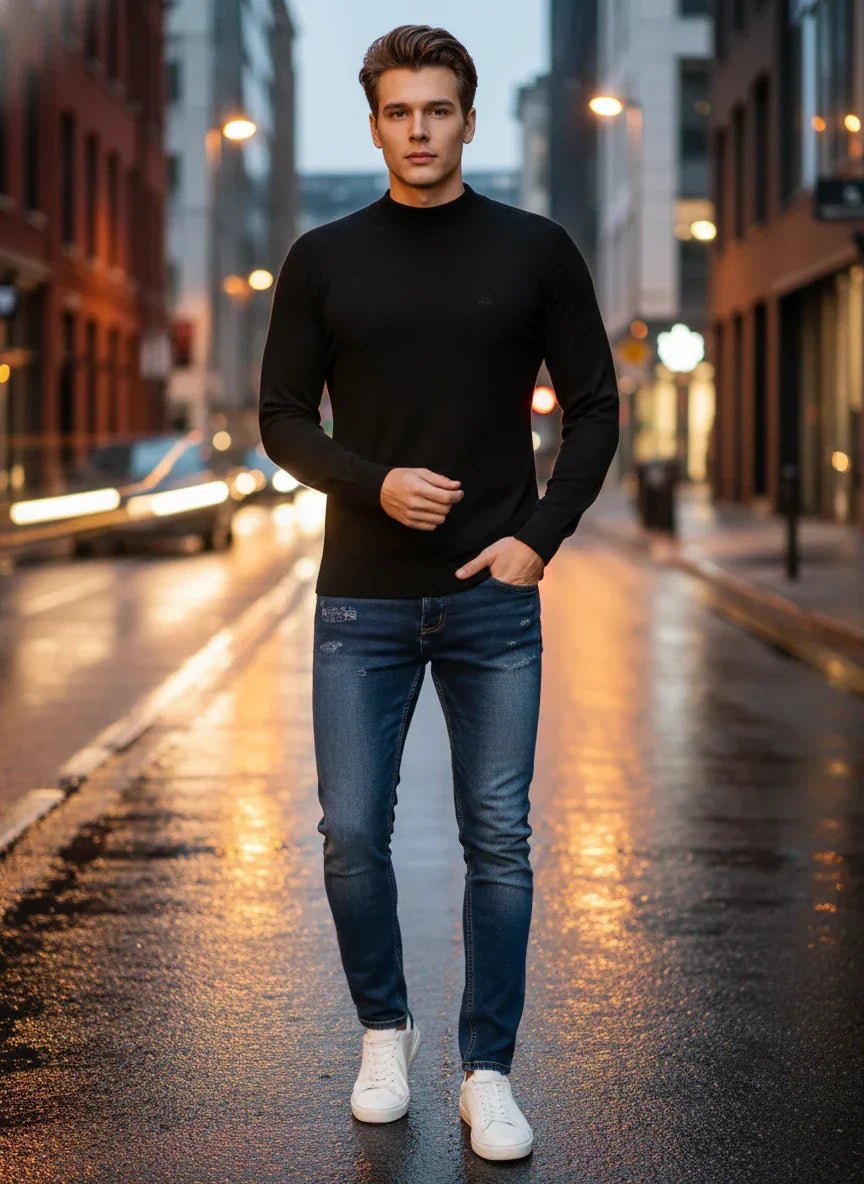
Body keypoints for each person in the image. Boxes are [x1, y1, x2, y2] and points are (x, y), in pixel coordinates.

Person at [259, 24, 619, 1163]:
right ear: (373, 123)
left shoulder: (537, 248)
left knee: (498, 840)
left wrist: (540, 538)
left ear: (466, 119)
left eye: (440, 110)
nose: (419, 130)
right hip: (361, 597)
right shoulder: (323, 256)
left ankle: (488, 1068)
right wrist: (374, 482)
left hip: (492, 600)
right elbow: (275, 419)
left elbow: (598, 407)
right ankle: (384, 1028)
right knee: (352, 833)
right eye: (398, 111)